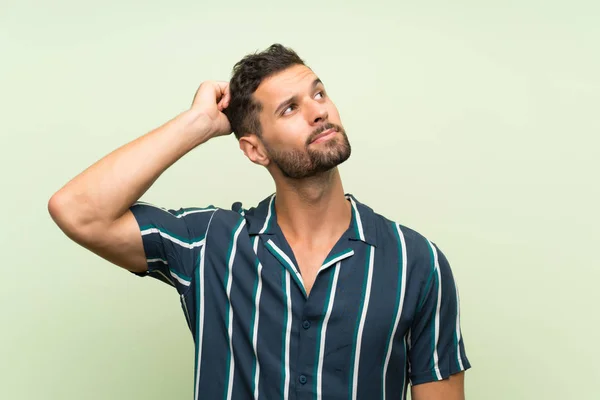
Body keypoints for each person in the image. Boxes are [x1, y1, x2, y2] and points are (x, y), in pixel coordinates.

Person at [48, 44, 471, 400]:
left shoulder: (417, 262)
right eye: (290, 109)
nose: (317, 112)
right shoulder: (209, 244)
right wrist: (197, 123)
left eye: (319, 94)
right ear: (255, 150)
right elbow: (78, 210)